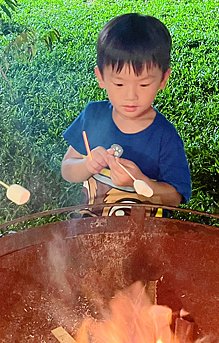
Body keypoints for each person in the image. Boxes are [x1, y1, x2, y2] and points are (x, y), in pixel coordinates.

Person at [61, 13, 191, 216]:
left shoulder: (165, 137)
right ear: (101, 77)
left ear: (163, 80)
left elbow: (174, 198)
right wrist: (87, 165)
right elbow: (67, 169)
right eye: (119, 84)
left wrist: (140, 182)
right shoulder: (93, 115)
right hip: (90, 229)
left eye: (144, 84)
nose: (131, 96)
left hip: (144, 237)